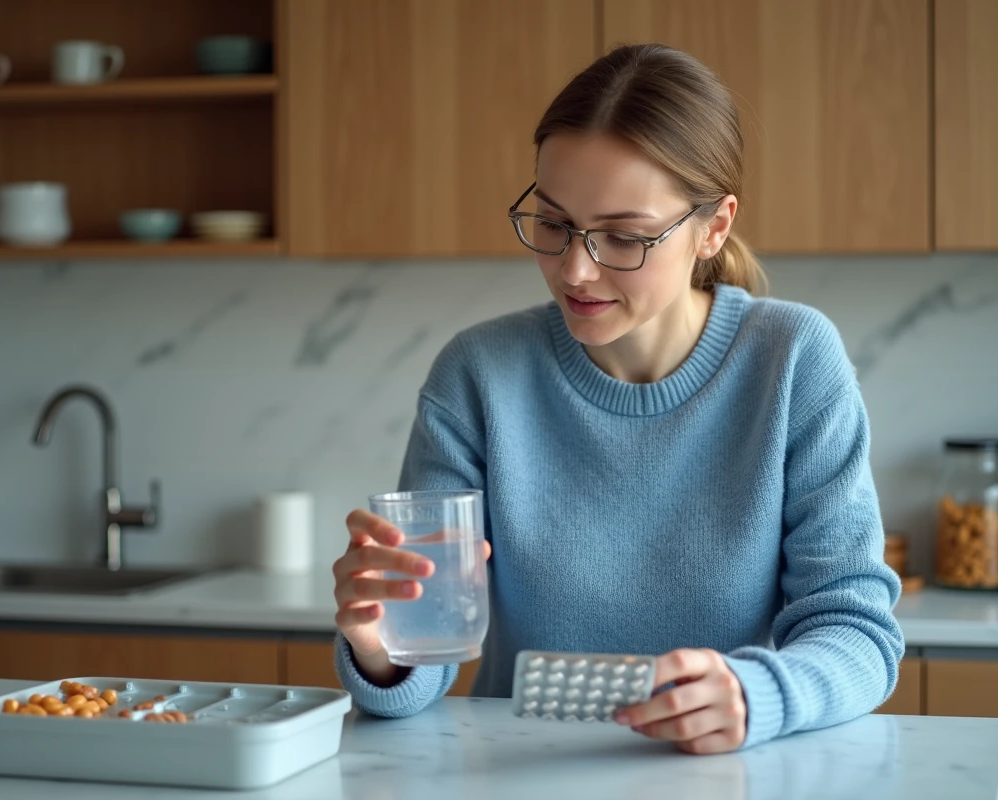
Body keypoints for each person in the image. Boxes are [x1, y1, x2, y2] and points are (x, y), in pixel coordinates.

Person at [329, 43, 904, 754]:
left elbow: (858, 634)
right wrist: (379, 640)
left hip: (724, 775)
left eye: (624, 237)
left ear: (714, 228)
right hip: (519, 776)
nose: (575, 268)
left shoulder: (792, 361)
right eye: (553, 223)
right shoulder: (478, 374)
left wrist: (756, 697)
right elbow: (423, 659)